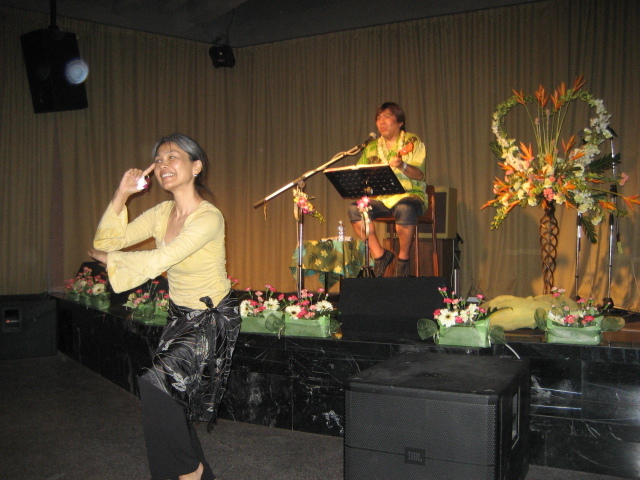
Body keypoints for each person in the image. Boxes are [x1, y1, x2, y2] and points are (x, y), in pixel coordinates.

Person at [88, 133, 240, 480]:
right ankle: (197, 472)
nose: (163, 165)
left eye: (173, 157)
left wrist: (112, 260)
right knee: (168, 396)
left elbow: (163, 258)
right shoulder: (161, 213)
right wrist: (122, 193)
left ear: (196, 166)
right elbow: (107, 240)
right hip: (180, 315)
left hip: (211, 316)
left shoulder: (208, 217)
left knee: (155, 386)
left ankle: (188, 471)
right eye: (158, 159)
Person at [347, 102, 428, 277]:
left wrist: (402, 165)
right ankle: (380, 255)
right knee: (355, 209)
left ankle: (403, 259)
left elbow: (419, 175)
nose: (382, 122)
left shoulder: (412, 142)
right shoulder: (371, 147)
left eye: (387, 117)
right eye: (378, 118)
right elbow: (360, 173)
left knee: (404, 208)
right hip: (382, 199)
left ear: (400, 122)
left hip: (410, 195)